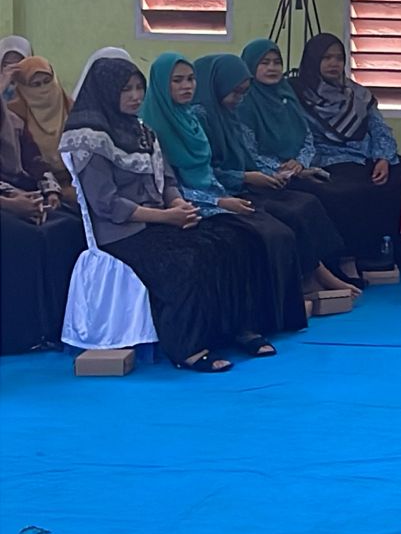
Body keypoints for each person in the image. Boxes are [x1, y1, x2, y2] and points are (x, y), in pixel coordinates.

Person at [59, 58, 258, 372]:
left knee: (228, 242)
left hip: (157, 220)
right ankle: (187, 348)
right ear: (106, 92)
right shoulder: (90, 138)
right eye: (126, 89)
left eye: (140, 88)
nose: (136, 96)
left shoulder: (143, 131)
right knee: (184, 261)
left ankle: (233, 329)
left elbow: (166, 179)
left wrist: (177, 204)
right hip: (120, 233)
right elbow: (106, 204)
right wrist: (165, 217)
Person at [141, 53, 307, 342]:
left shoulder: (191, 119)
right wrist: (219, 202)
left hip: (216, 195)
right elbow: (168, 185)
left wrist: (224, 196)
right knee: (247, 238)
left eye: (190, 79)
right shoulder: (153, 128)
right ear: (160, 85)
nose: (186, 86)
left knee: (273, 230)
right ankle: (239, 327)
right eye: (177, 81)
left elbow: (208, 173)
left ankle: (266, 319)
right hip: (188, 205)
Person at [194, 53, 359, 296]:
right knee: (290, 214)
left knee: (307, 203)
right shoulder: (203, 117)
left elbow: (253, 153)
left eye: (243, 93)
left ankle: (322, 273)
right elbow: (208, 171)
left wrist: (290, 169)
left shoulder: (232, 112)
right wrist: (250, 176)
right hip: (226, 191)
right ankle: (312, 279)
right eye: (235, 93)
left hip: (251, 180)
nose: (239, 99)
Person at [235, 38, 368, 289]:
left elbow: (307, 137)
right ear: (250, 66)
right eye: (264, 63)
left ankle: (339, 262)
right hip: (267, 175)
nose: (272, 68)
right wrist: (283, 169)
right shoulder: (244, 103)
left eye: (277, 62)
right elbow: (248, 152)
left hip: (297, 168)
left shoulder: (286, 94)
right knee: (320, 197)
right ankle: (322, 271)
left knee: (337, 190)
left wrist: (300, 162)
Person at [292, 33, 401, 271]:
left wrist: (383, 158)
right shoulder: (299, 95)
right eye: (326, 58)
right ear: (313, 60)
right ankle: (360, 254)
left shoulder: (357, 94)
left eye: (338, 58)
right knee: (352, 188)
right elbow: (301, 137)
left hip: (364, 154)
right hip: (325, 157)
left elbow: (378, 127)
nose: (333, 64)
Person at [0, 60, 84, 354]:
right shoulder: (14, 113)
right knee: (24, 237)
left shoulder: (14, 123)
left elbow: (33, 162)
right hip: (7, 199)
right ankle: (22, 333)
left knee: (67, 225)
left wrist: (49, 193)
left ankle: (57, 326)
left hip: (21, 192)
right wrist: (12, 203)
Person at [7, 56, 75, 205]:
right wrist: (52, 190)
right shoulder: (13, 116)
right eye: (36, 84)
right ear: (22, 87)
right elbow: (28, 161)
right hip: (34, 191)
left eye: (47, 81)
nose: (44, 89)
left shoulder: (71, 107)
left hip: (77, 184)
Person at [0, 35, 31, 101]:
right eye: (6, 65)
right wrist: (2, 85)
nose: (12, 71)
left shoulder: (38, 84)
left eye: (19, 64)